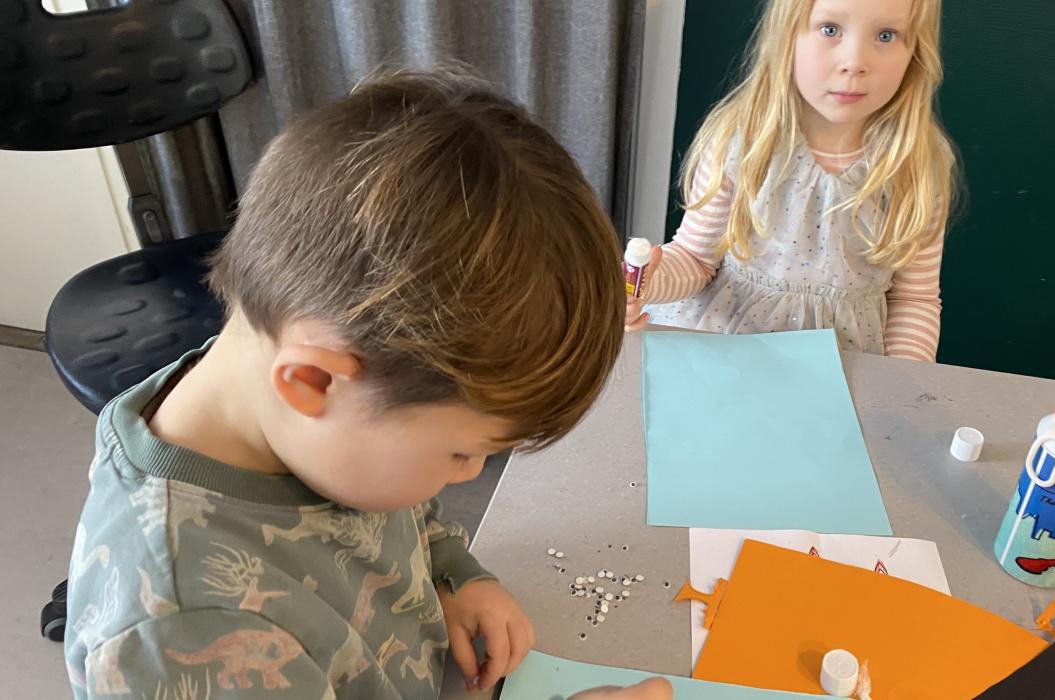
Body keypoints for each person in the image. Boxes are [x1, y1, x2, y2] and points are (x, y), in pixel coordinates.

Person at [62, 67, 667, 699]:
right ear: (312, 381)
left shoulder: (306, 416)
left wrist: (452, 573)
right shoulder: (180, 630)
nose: (469, 475)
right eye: (461, 453)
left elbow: (399, 509)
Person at [629, 0, 958, 363]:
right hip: (722, 350)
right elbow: (695, 260)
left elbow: (914, 299)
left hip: (842, 364)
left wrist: (903, 382)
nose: (855, 62)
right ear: (787, 34)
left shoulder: (920, 163)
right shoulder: (741, 140)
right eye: (830, 30)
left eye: (885, 35)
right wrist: (644, 285)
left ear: (915, 51)